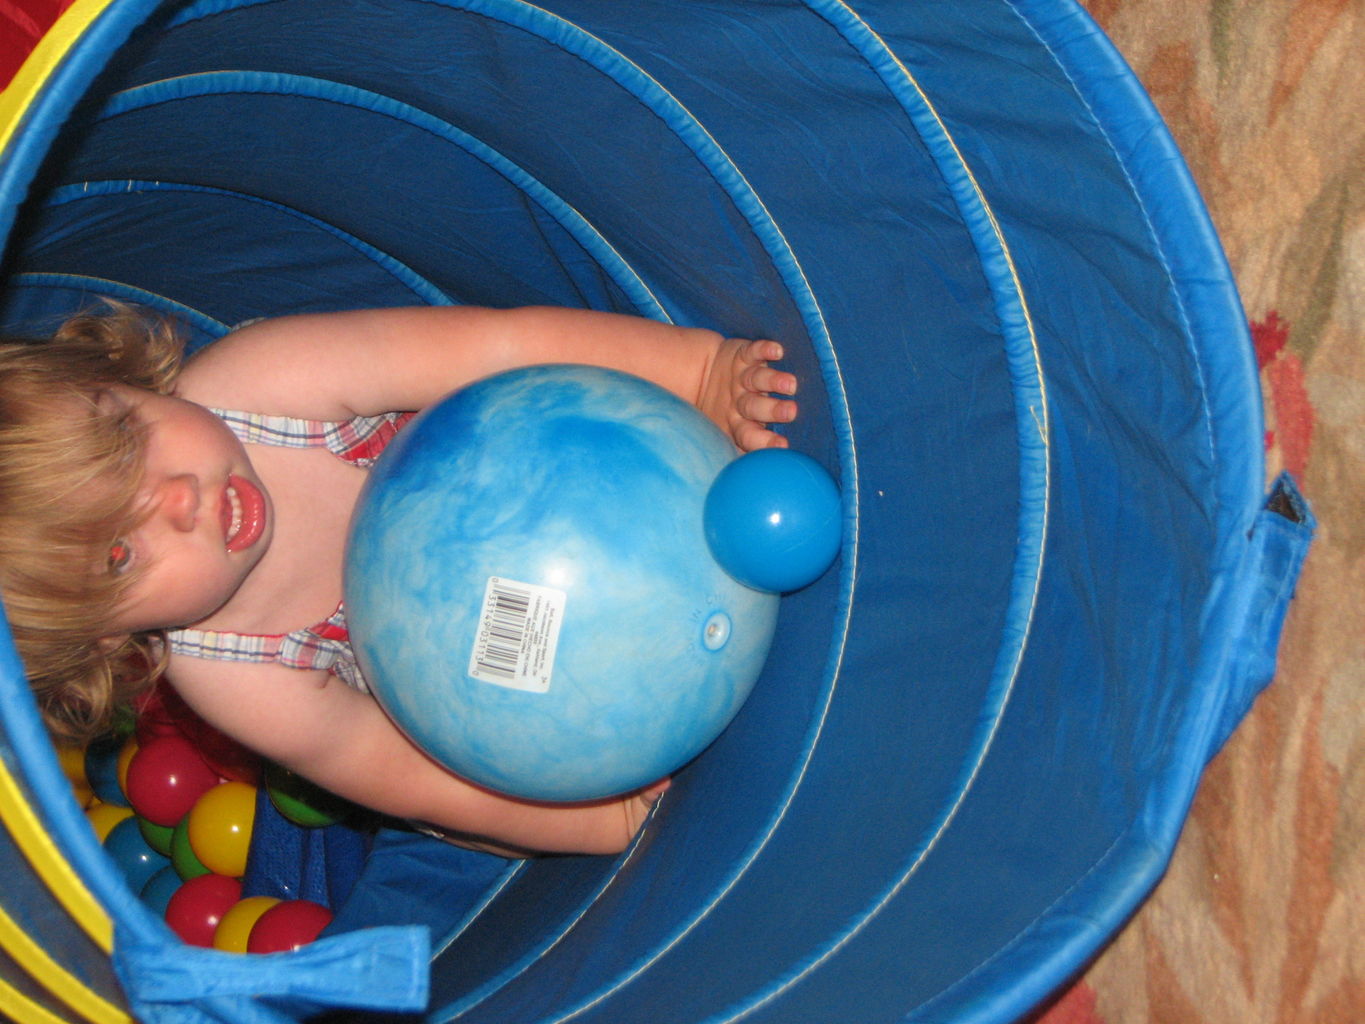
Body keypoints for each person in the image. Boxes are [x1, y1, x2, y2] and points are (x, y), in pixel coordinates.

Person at [0, 302, 798, 856]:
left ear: (120, 378)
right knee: (461, 810)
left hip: (568, 471)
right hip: (530, 680)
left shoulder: (260, 384)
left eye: (126, 437)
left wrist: (697, 372)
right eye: (117, 554)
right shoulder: (230, 676)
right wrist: (592, 813)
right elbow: (407, 776)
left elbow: (497, 348)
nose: (176, 499)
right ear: (103, 634)